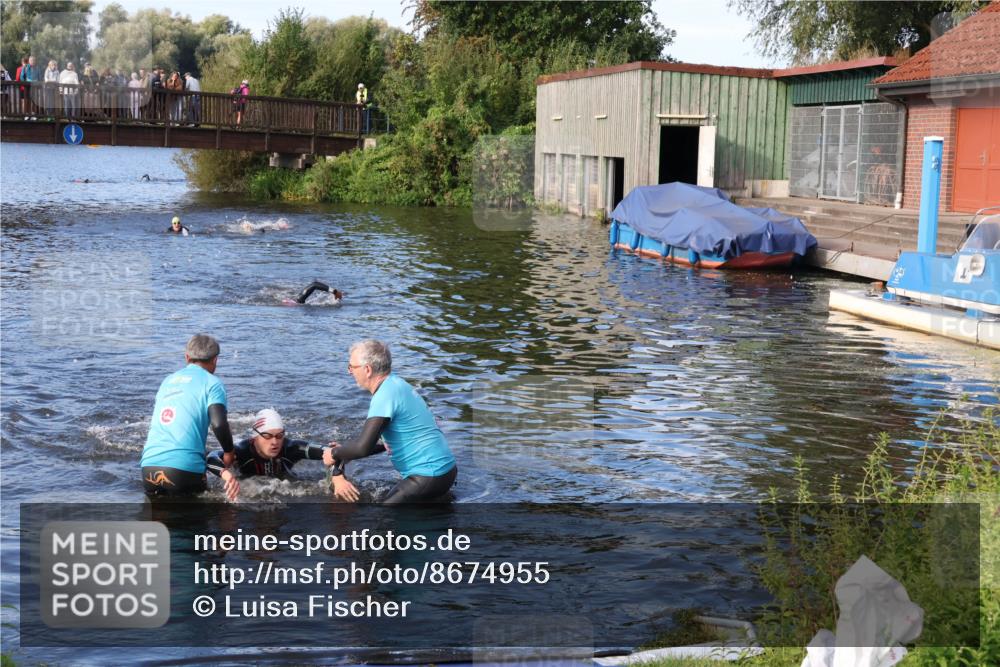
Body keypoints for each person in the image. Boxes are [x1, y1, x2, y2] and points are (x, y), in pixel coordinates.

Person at [323, 339, 457, 504]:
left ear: (367, 369)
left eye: (351, 367)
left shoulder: (385, 395)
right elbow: (384, 442)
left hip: (428, 476)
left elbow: (362, 448)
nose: (349, 372)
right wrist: (346, 451)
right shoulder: (396, 384)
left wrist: (334, 453)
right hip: (445, 472)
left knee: (384, 520)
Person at [140, 334, 237, 499]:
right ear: (215, 360)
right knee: (198, 521)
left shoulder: (167, 381)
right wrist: (229, 452)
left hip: (148, 467)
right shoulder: (212, 383)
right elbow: (219, 423)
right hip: (184, 470)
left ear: (187, 357)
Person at [205, 408, 334, 499]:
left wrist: (337, 478)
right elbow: (211, 458)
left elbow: (331, 451)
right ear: (255, 437)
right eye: (267, 436)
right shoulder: (242, 450)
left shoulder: (290, 447)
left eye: (279, 436)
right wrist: (226, 475)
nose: (274, 442)